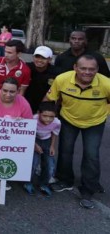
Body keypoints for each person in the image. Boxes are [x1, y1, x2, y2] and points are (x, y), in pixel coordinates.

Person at [46, 55, 110, 209]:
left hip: (95, 122)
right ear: (75, 67)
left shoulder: (107, 84)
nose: (87, 72)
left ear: (97, 70)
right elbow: (50, 99)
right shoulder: (62, 79)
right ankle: (65, 180)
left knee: (91, 154)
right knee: (65, 151)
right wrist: (39, 117)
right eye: (83, 68)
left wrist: (106, 112)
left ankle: (88, 189)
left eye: (91, 69)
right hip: (68, 119)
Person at [24, 101, 60, 197]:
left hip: (47, 141)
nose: (48, 119)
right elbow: (28, 133)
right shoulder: (32, 119)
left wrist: (52, 146)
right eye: (45, 116)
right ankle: (28, 182)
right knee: (33, 163)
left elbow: (54, 133)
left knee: (50, 165)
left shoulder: (57, 122)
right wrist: (35, 145)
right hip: (34, 139)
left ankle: (43, 184)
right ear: (39, 113)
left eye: (51, 117)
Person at [24, 46, 59, 113]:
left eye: (43, 58)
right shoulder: (26, 67)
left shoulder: (56, 73)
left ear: (50, 59)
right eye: (37, 57)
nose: (39, 60)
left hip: (46, 108)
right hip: (25, 105)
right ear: (33, 57)